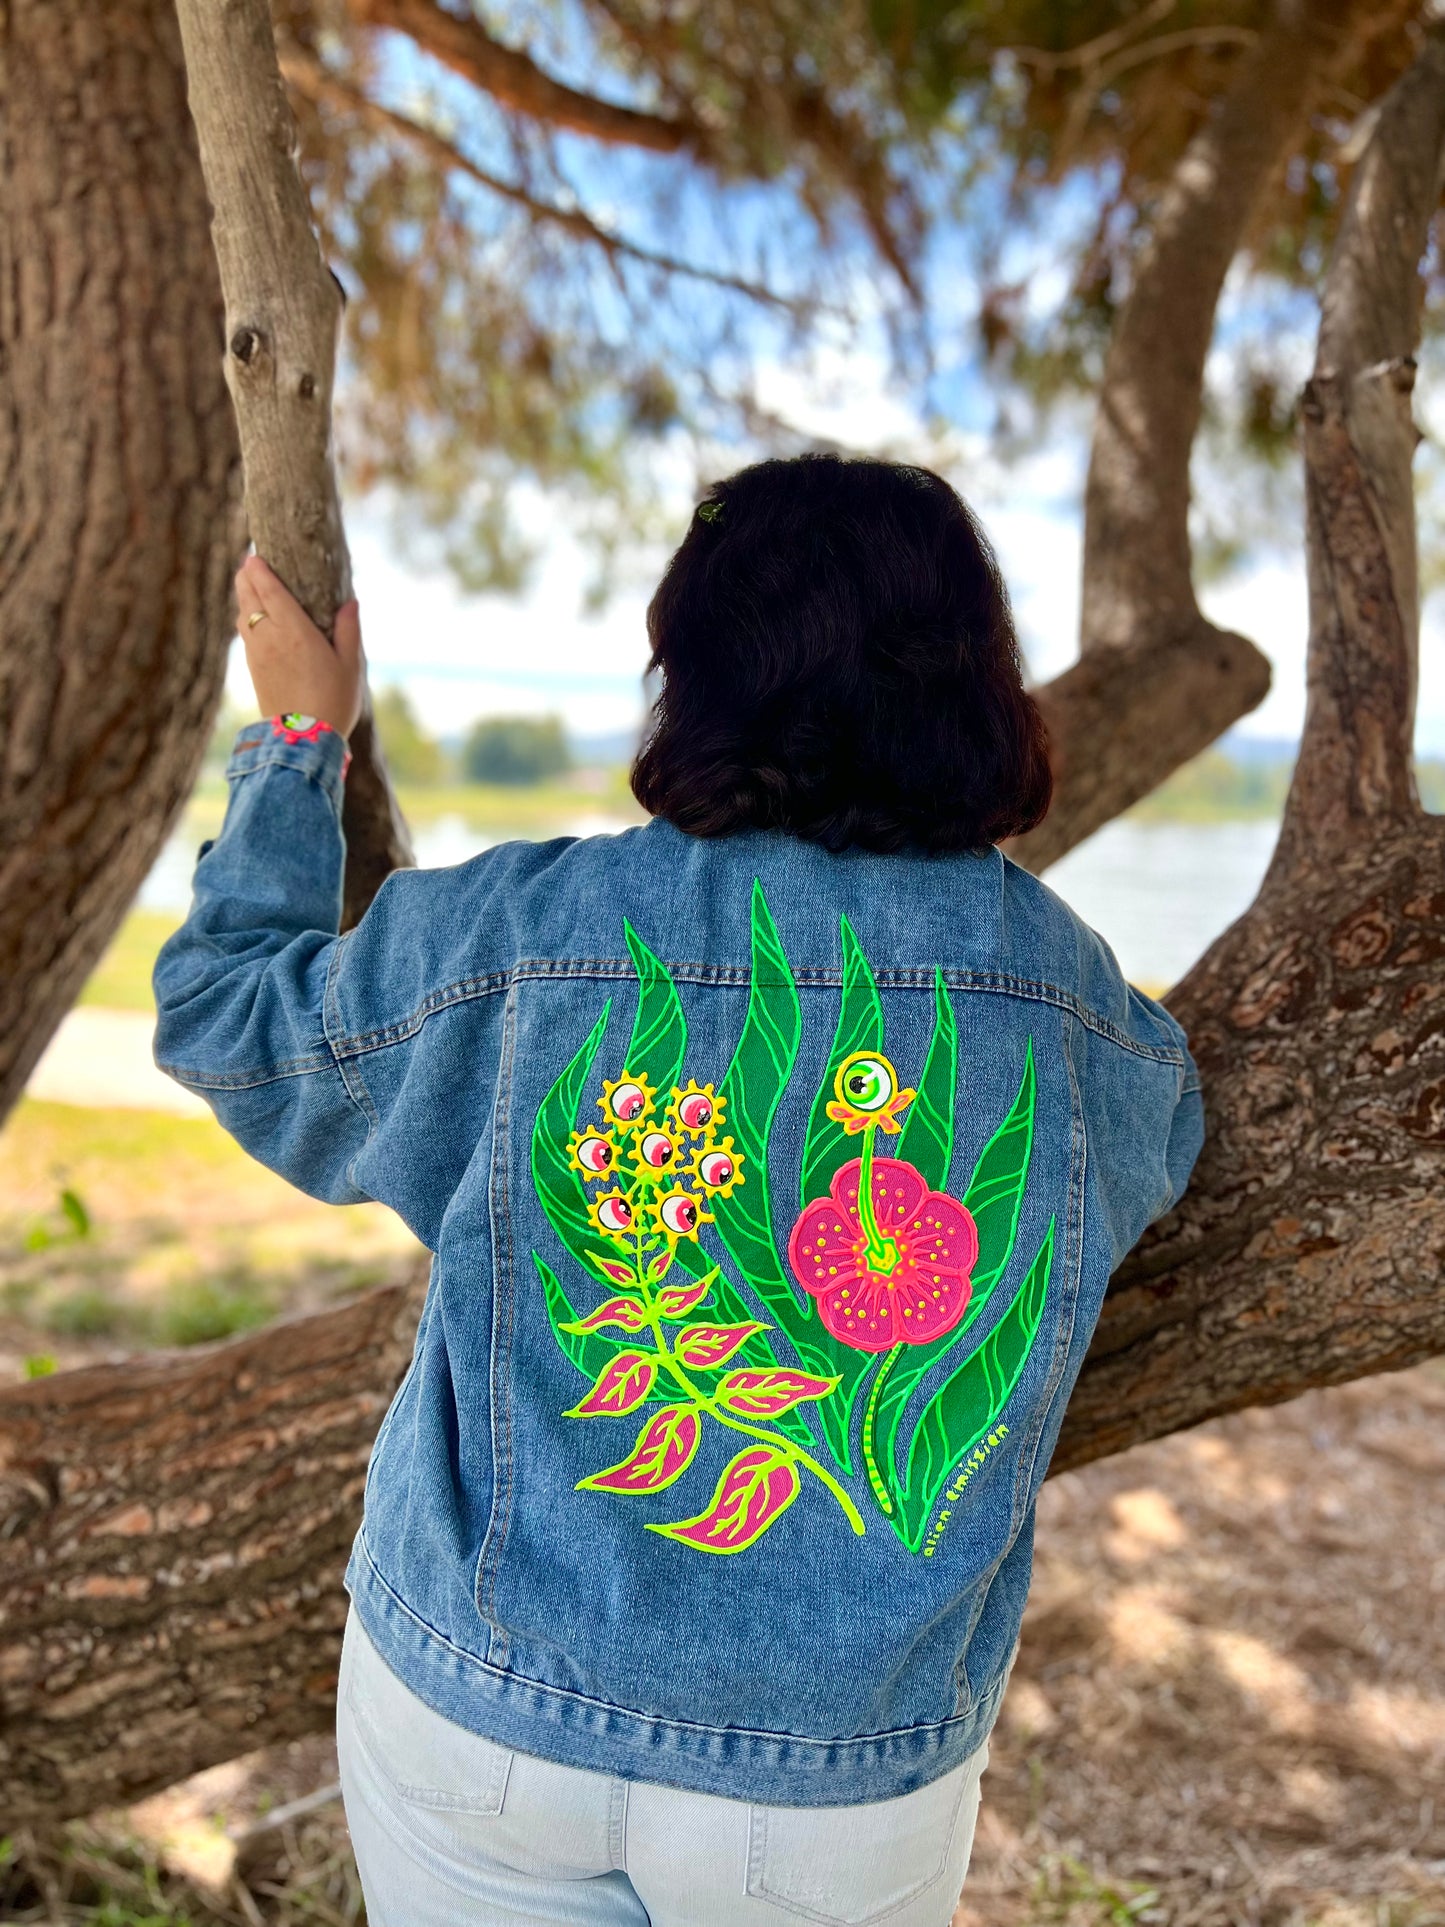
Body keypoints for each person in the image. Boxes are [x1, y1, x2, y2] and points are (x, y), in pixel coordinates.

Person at [155, 454, 1203, 1926]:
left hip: (487, 1706)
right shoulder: (1071, 1004)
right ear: (974, 685)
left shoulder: (524, 932)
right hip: (839, 1774)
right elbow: (1160, 1148)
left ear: (693, 673)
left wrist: (298, 737)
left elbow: (228, 1020)